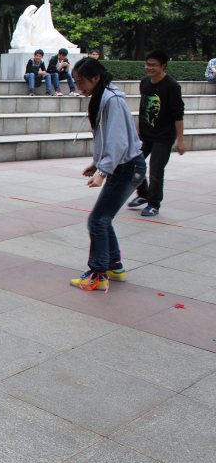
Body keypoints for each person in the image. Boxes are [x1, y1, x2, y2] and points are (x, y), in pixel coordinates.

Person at [69, 57, 146, 291]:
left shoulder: (111, 100)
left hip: (128, 167)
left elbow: (117, 141)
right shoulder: (103, 97)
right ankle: (114, 266)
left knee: (97, 220)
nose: (78, 87)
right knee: (103, 218)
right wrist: (97, 163)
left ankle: (98, 273)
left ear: (96, 78)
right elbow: (105, 138)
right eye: (75, 82)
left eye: (81, 82)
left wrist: (103, 171)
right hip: (126, 166)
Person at [127, 50, 186, 217]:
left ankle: (153, 204)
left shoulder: (172, 86)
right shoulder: (145, 82)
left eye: (154, 65)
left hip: (164, 136)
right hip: (145, 134)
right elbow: (143, 107)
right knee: (131, 163)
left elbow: (178, 114)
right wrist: (138, 131)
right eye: (148, 64)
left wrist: (181, 140)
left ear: (163, 66)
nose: (149, 68)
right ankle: (144, 194)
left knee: (155, 170)